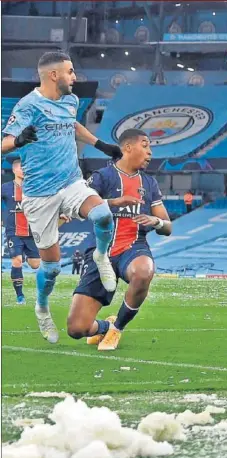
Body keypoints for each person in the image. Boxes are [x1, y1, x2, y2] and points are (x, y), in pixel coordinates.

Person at [1, 52, 122, 344]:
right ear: (53, 75)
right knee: (52, 268)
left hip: (71, 182)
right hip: (40, 195)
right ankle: (42, 307)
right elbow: (3, 143)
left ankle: (101, 256)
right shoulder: (28, 106)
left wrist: (100, 144)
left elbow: (72, 124)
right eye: (70, 72)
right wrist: (18, 141)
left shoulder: (71, 101)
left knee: (103, 215)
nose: (75, 77)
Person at [68, 129, 172, 351]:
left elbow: (167, 226)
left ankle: (117, 328)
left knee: (144, 271)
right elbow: (80, 207)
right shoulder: (102, 177)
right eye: (145, 145)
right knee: (77, 329)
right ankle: (105, 326)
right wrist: (114, 202)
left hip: (134, 248)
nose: (150, 152)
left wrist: (155, 221)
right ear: (127, 147)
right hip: (101, 251)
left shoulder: (149, 184)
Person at [1, 157, 41, 303]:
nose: (24, 171)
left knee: (35, 264)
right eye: (21, 168)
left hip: (31, 231)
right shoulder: (5, 187)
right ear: (14, 170)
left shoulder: (34, 187)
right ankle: (20, 296)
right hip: (13, 231)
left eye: (26, 168)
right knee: (17, 260)